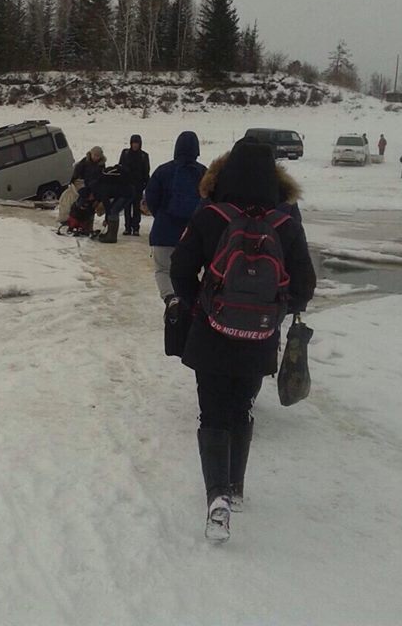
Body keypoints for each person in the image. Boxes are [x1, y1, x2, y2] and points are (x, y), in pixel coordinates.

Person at [170, 138, 316, 542]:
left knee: (212, 412)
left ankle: (216, 495)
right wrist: (274, 310)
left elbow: (180, 269)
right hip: (261, 335)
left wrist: (201, 305)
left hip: (211, 332)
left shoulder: (211, 215)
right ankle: (234, 488)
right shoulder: (286, 222)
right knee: (241, 407)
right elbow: (304, 285)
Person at [144, 131, 206, 298]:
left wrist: (161, 215)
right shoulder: (204, 173)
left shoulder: (163, 171)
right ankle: (189, 303)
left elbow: (151, 198)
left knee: (163, 270)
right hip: (193, 235)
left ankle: (170, 300)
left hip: (164, 230)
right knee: (190, 272)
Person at [119, 134, 151, 236]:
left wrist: (145, 184)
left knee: (137, 208)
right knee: (127, 207)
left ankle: (136, 228)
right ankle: (127, 227)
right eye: (133, 143)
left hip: (138, 186)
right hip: (126, 185)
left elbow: (146, 171)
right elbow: (120, 167)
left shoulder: (144, 156)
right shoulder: (125, 153)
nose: (135, 145)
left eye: (137, 143)